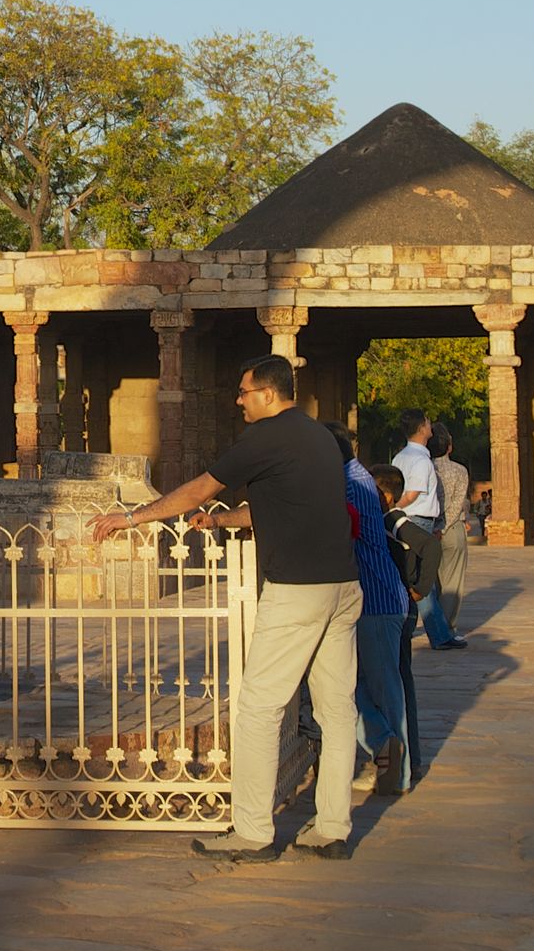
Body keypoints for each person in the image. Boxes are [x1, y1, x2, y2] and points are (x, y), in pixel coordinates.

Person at [92, 354, 362, 863]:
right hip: (342, 586)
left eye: (243, 392)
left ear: (266, 393)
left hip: (298, 589)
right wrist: (221, 523)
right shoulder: (317, 437)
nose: (237, 401)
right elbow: (279, 504)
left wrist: (133, 518)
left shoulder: (265, 437)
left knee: (258, 709)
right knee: (336, 709)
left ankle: (253, 831)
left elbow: (201, 487)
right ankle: (332, 827)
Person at [323, 422, 410, 794]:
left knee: (381, 688)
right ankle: (386, 753)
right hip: (372, 601)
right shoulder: (352, 478)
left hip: (376, 600)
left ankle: (394, 766)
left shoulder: (354, 483)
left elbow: (339, 532)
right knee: (355, 686)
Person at [372, 466, 443, 783]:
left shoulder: (393, 520)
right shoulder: (387, 521)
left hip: (400, 604)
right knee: (402, 683)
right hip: (401, 602)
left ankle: (405, 759)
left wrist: (422, 587)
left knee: (397, 685)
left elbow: (430, 546)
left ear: (385, 495)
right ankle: (408, 758)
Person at [391, 409, 466, 650]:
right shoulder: (422, 461)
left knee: (411, 577)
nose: (430, 424)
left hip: (406, 520)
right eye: (427, 421)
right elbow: (411, 493)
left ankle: (408, 628)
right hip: (419, 520)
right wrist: (392, 507)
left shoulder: (400, 457)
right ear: (422, 428)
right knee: (424, 582)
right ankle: (439, 634)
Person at [429, 422, 470, 631]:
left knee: (431, 583)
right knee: (452, 582)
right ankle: (445, 629)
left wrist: (435, 526)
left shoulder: (425, 468)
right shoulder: (459, 470)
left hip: (427, 529)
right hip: (451, 530)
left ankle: (435, 627)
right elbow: (456, 503)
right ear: (449, 446)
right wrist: (443, 527)